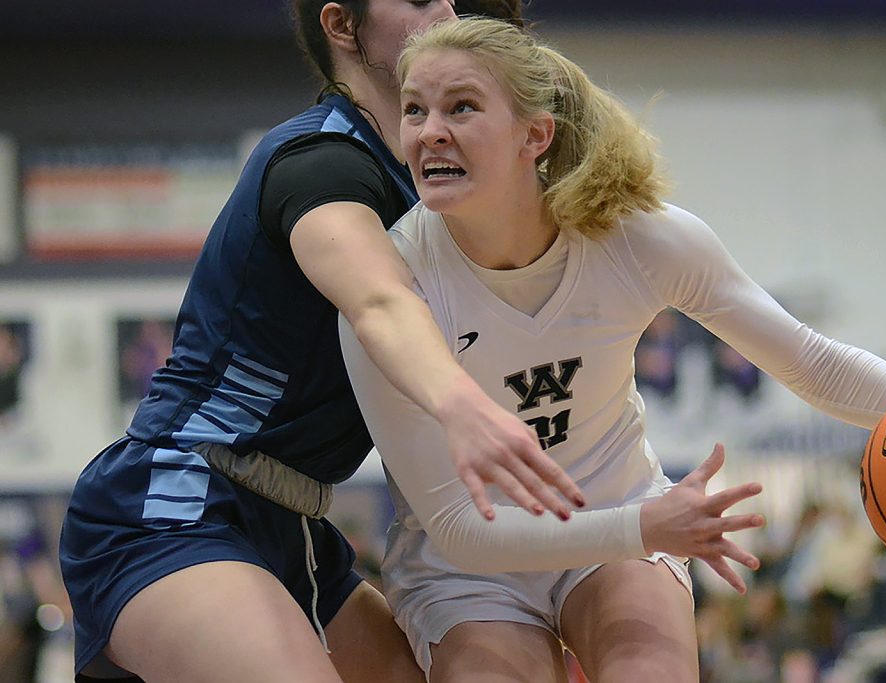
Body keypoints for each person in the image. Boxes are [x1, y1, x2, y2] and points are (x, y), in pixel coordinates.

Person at [337, 17, 886, 681]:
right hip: (470, 564)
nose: (429, 131)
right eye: (414, 109)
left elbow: (812, 362)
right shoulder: (389, 284)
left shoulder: (634, 239)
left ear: (535, 135)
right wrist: (644, 526)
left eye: (461, 107)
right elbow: (457, 526)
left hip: (611, 513)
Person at [58, 2, 585, 682]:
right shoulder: (321, 161)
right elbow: (379, 301)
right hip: (178, 498)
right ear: (342, 26)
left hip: (296, 523)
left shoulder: (439, 189)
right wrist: (463, 406)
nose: (446, 9)